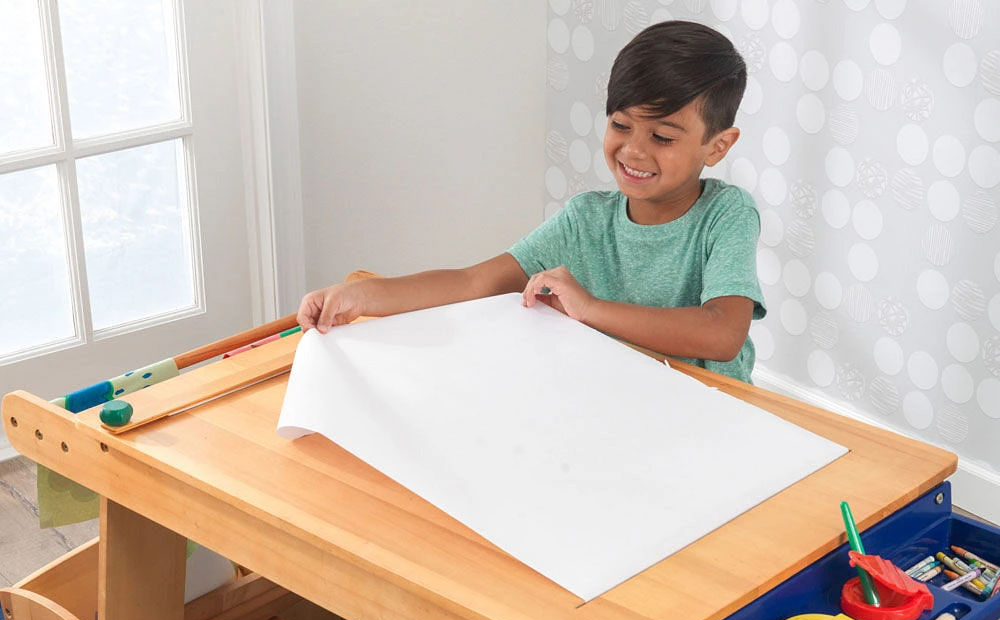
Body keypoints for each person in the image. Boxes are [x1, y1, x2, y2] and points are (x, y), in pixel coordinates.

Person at [297, 19, 765, 383]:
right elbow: (473, 281)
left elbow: (722, 333)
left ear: (718, 146)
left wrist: (590, 308)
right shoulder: (586, 220)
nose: (634, 150)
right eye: (621, 125)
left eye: (662, 136)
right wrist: (363, 294)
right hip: (613, 397)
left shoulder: (726, 216)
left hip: (709, 411)